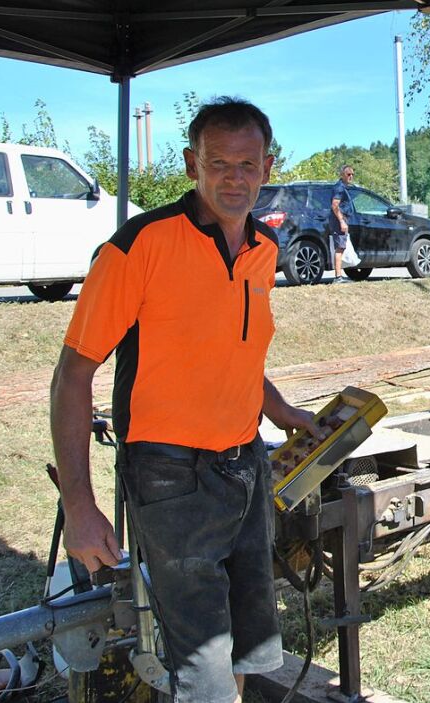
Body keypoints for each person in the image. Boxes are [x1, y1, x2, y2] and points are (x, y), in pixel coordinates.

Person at [50, 97, 319, 703]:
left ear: (267, 168)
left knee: (250, 645)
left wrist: (281, 412)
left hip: (243, 463)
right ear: (190, 163)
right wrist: (79, 505)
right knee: (203, 663)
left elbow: (235, 348)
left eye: (247, 164)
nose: (234, 177)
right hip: (170, 476)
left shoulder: (263, 251)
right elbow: (71, 376)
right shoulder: (139, 245)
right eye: (218, 163)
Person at [330, 164, 354, 283]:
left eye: (352, 174)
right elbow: (335, 205)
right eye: (348, 174)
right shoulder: (339, 188)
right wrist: (341, 221)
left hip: (343, 219)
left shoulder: (343, 187)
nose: (351, 176)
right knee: (339, 248)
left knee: (342, 247)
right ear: (342, 175)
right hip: (339, 220)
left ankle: (340, 275)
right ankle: (338, 277)